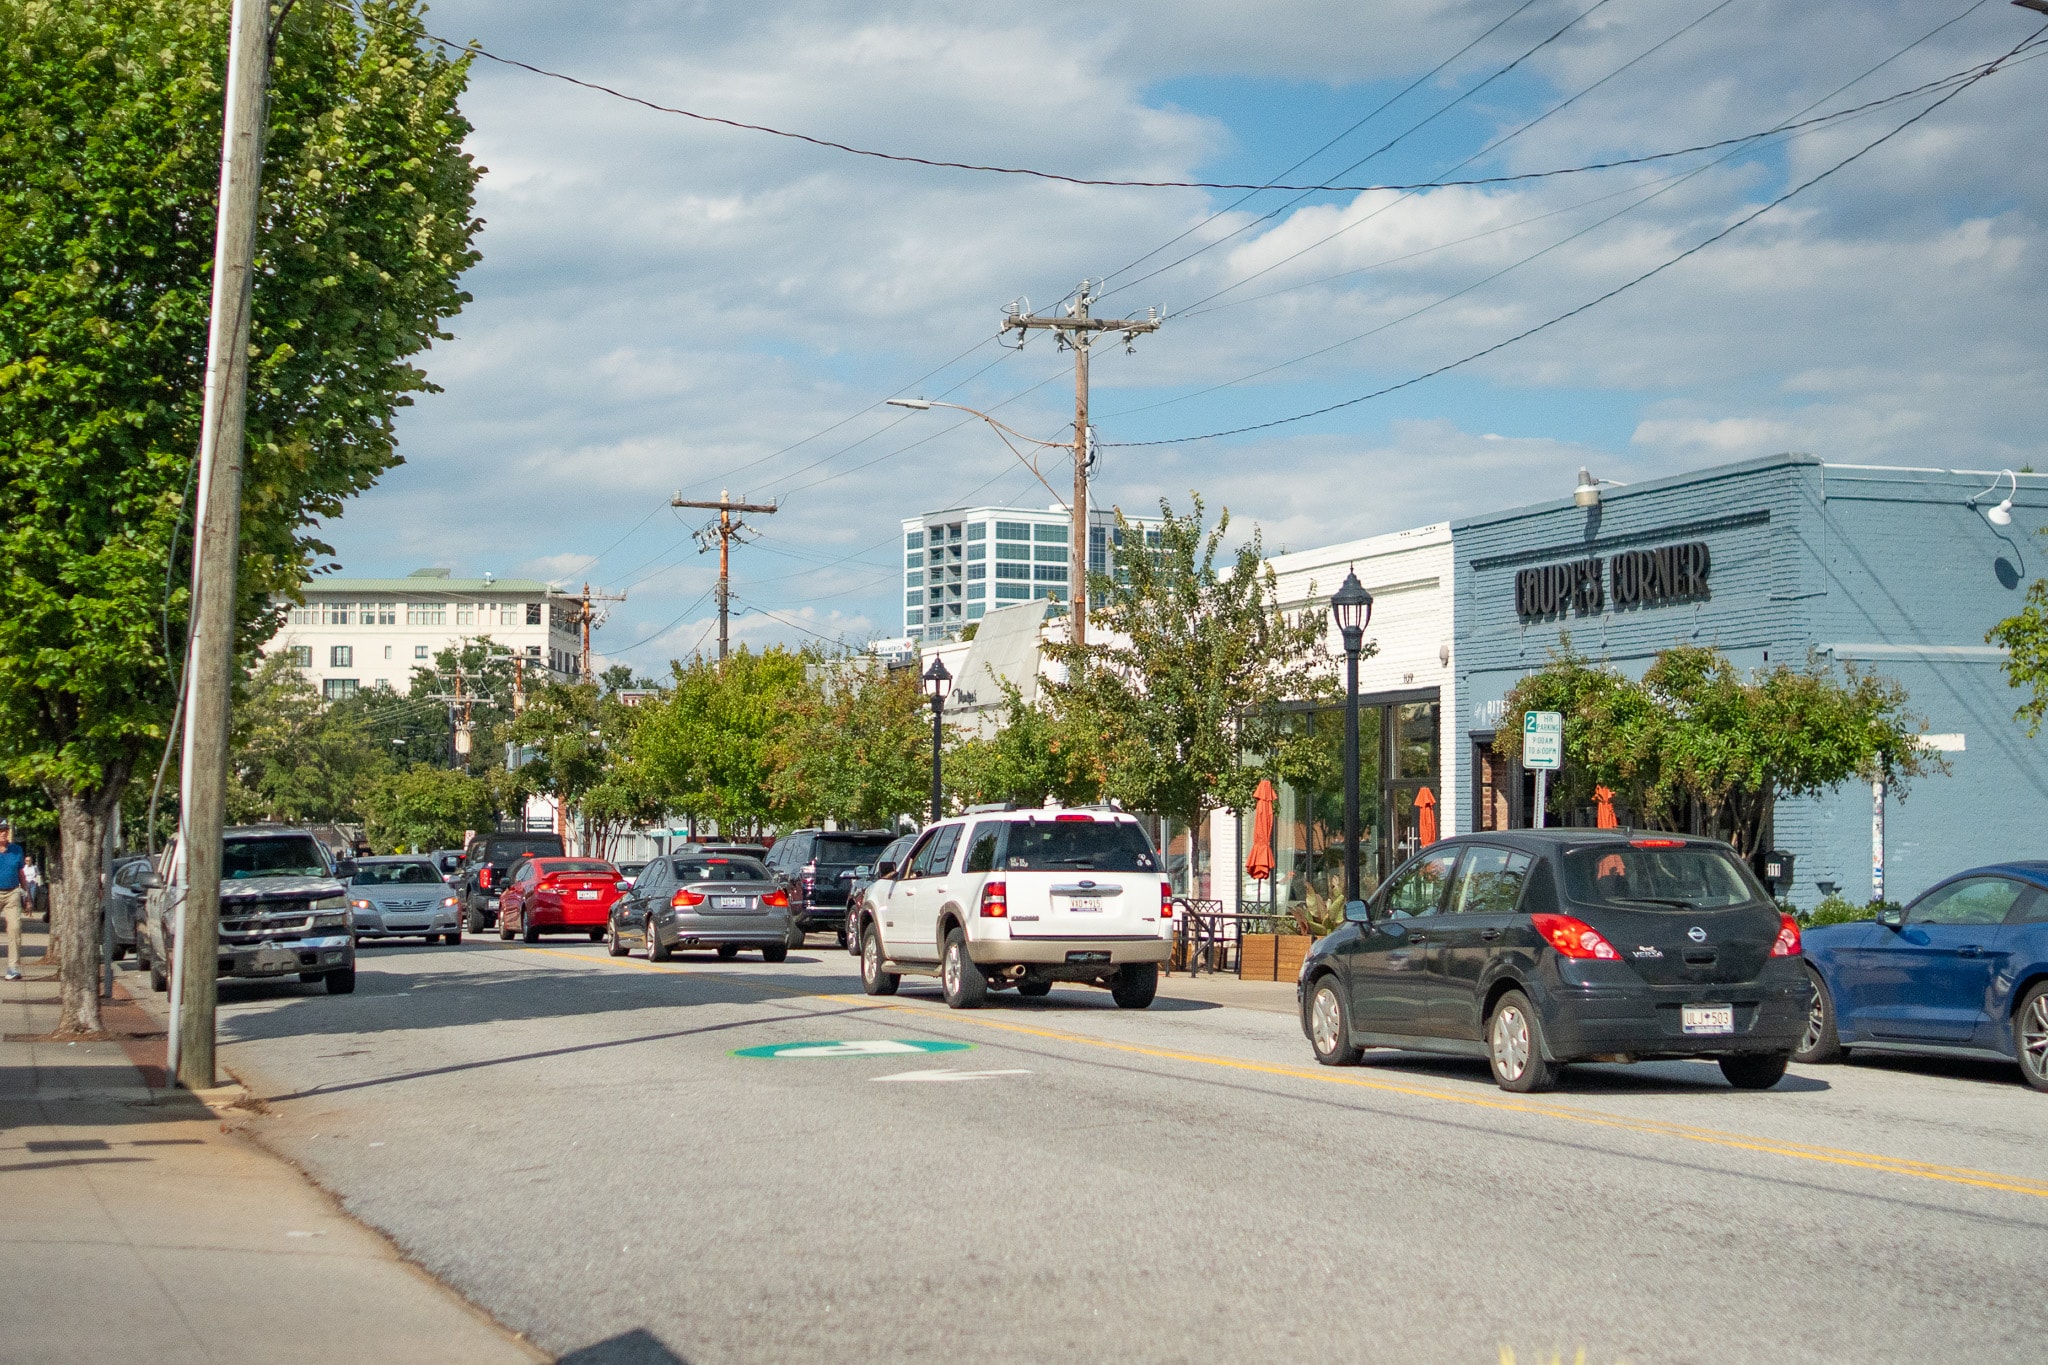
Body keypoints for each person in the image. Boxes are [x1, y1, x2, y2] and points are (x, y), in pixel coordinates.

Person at [0, 821, 25, 981]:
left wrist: (27, 895)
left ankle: (13, 968)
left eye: (5, 830)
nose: (3, 833)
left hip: (13, 892)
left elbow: (21, 873)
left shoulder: (16, 850)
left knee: (15, 929)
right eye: (1, 830)